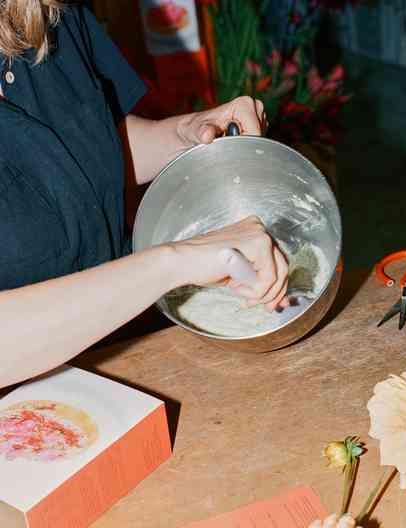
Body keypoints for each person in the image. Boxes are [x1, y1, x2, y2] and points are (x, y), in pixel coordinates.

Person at [0, 1, 289, 389]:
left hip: (126, 349)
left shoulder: (43, 10)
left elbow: (82, 152)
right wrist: (174, 262)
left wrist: (186, 133)